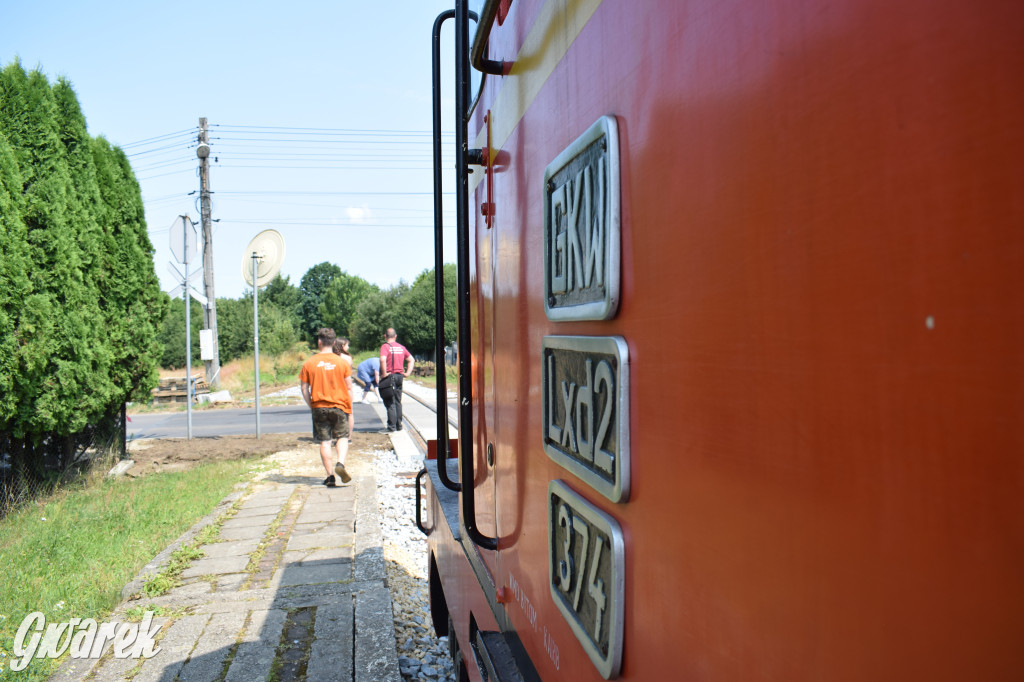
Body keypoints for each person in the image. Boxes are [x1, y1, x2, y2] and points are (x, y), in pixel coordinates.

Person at [300, 328, 353, 486]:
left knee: (325, 442)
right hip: (339, 406)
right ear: (334, 342)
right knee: (342, 437)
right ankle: (340, 464)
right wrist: (349, 407)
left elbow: (304, 388)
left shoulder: (309, 363)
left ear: (319, 342)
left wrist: (312, 405)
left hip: (319, 406)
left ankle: (330, 476)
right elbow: (349, 387)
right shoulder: (341, 362)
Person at [379, 327, 414, 432]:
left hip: (390, 376)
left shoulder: (385, 347)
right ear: (395, 336)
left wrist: (384, 373)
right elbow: (411, 360)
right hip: (399, 376)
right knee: (398, 401)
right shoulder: (401, 347)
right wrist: (407, 373)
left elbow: (382, 359)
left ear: (385, 336)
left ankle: (391, 427)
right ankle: (399, 425)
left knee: (390, 402)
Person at [333, 337, 355, 442]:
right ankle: (348, 437)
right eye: (347, 345)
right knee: (349, 413)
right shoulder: (347, 358)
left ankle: (337, 436)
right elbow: (348, 374)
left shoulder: (331, 357)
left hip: (333, 388)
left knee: (334, 412)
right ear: (342, 346)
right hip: (345, 387)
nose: (348, 347)